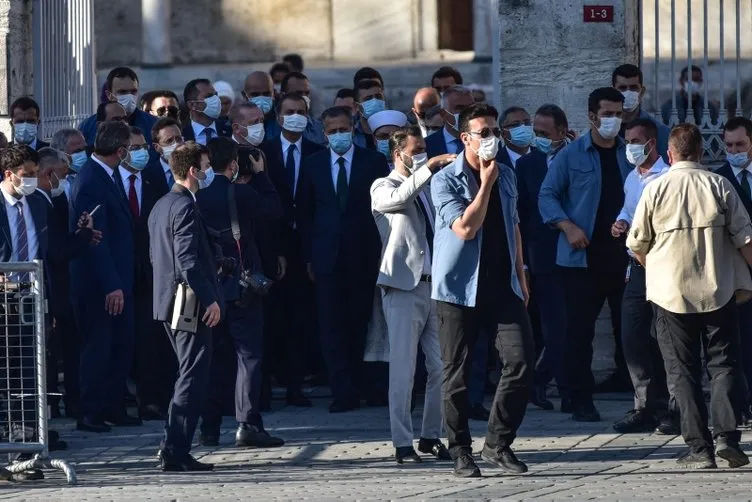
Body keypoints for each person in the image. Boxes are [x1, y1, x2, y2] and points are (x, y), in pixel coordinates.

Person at [627, 123, 752, 469]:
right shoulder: (719, 185)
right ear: (701, 153)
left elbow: (637, 244)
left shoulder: (655, 189)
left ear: (670, 153)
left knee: (681, 371)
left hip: (670, 294)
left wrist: (657, 268)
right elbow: (746, 241)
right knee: (724, 364)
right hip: (719, 289)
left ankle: (699, 448)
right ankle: (727, 437)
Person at [431, 103, 534, 478]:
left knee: (521, 362)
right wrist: (485, 184)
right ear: (465, 138)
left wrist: (521, 272)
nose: (492, 139)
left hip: (501, 284)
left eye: (496, 131)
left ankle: (498, 443)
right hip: (458, 289)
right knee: (456, 373)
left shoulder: (507, 174)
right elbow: (465, 229)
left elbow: (515, 224)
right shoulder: (446, 179)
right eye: (484, 133)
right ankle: (460, 450)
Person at [539, 87, 631, 422]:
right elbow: (547, 196)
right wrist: (567, 226)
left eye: (619, 114)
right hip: (582, 259)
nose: (614, 120)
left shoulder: (627, 152)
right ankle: (579, 399)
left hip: (626, 258)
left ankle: (645, 401)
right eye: (608, 114)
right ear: (592, 116)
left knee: (633, 331)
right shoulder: (571, 155)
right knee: (579, 332)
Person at [370, 125, 455, 464]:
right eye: (415, 150)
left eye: (424, 149)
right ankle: (401, 441)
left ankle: (430, 435)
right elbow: (396, 200)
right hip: (404, 286)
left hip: (436, 287)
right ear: (398, 154)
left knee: (441, 366)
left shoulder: (430, 187)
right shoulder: (383, 186)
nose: (420, 154)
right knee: (403, 369)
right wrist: (429, 167)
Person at [297, 106, 389, 412]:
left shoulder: (372, 161)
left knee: (361, 323)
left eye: (343, 129)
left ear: (353, 129)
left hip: (364, 255)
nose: (339, 135)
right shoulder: (313, 164)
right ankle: (342, 391)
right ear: (324, 134)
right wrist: (309, 256)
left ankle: (367, 385)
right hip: (327, 258)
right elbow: (306, 212)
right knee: (331, 327)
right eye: (332, 131)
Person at [196, 137, 284, 448]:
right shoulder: (242, 191)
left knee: (214, 359)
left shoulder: (199, 197)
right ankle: (247, 423)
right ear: (233, 164)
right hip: (242, 287)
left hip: (211, 289)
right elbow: (274, 210)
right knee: (248, 357)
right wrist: (261, 174)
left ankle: (208, 426)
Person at [149, 141, 222, 472]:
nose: (208, 172)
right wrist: (211, 300)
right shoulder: (183, 206)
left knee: (187, 373)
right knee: (192, 376)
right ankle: (176, 449)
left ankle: (172, 445)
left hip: (169, 301)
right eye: (205, 166)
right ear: (193, 170)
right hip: (188, 303)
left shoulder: (162, 204)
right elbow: (187, 262)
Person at [69, 120, 140, 432]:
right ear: (121, 150)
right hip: (100, 285)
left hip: (119, 278)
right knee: (98, 347)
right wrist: (111, 285)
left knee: (120, 344)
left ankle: (113, 406)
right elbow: (95, 239)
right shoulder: (91, 180)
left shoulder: (105, 176)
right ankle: (90, 411)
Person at [609, 118, 678, 435]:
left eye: (636, 141)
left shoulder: (667, 178)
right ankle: (644, 406)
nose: (630, 147)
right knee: (633, 337)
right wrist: (620, 223)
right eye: (627, 141)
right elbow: (628, 210)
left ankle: (672, 409)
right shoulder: (632, 178)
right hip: (636, 267)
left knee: (666, 340)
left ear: (652, 143)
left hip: (662, 266)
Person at [260, 93, 325, 406]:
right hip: (273, 247)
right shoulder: (264, 153)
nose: (296, 116)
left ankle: (296, 386)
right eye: (290, 111)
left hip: (305, 249)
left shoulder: (317, 152)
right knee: (272, 318)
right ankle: (266, 386)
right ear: (279, 115)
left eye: (301, 111)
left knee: (301, 318)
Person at [33, 147, 99, 421]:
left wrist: (80, 232)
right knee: (52, 355)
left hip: (60, 289)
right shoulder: (39, 202)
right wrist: (83, 237)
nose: (66, 179)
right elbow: (56, 250)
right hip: (50, 290)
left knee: (68, 349)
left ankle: (69, 405)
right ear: (49, 173)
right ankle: (54, 410)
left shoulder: (52, 201)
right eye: (63, 173)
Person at [516, 104, 570, 412]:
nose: (537, 138)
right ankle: (552, 385)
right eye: (535, 132)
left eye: (544, 133)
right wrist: (523, 260)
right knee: (552, 326)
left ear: (561, 132)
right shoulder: (527, 165)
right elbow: (521, 215)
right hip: (542, 257)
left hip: (575, 250)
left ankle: (549, 379)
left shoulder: (576, 158)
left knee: (570, 325)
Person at [119, 127, 172, 421]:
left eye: (143, 146)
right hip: (122, 272)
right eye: (135, 146)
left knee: (152, 339)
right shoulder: (111, 181)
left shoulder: (153, 179)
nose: (142, 152)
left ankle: (152, 400)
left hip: (152, 272)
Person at [715, 116, 752, 421]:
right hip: (736, 275)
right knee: (739, 340)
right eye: (728, 145)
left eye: (740, 144)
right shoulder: (718, 180)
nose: (734, 150)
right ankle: (741, 402)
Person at [78, 67, 157, 144]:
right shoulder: (88, 127)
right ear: (109, 95)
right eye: (122, 92)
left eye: (133, 91)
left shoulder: (154, 125)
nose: (129, 96)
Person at [612, 64, 669, 162]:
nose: (628, 93)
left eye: (633, 88)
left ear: (642, 92)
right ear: (613, 92)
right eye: (622, 88)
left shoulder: (660, 132)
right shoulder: (606, 130)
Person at [426, 86, 473, 158]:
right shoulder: (426, 145)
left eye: (471, 107)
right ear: (443, 113)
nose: (467, 113)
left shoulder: (486, 142)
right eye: (459, 108)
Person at [280, 72, 326, 145]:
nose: (304, 97)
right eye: (298, 93)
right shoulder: (271, 129)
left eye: (307, 93)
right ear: (283, 95)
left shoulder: (321, 129)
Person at [182, 79, 232, 144]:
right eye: (209, 96)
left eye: (216, 95)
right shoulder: (181, 136)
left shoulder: (231, 129)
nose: (216, 99)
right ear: (192, 105)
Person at [151, 117, 184, 188]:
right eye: (169, 141)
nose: (177, 144)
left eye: (179, 139)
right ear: (157, 147)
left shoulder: (194, 170)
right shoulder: (148, 175)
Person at [242, 71, 277, 140]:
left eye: (266, 94)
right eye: (255, 94)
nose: (261, 99)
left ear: (274, 93)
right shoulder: (236, 125)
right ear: (244, 95)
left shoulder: (282, 124)